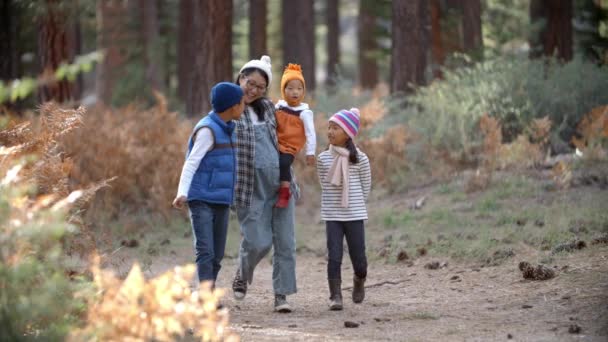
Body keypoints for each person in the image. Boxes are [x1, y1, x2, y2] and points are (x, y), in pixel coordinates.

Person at [231, 55, 298, 313]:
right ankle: (242, 270)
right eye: (251, 83)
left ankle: (281, 295)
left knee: (285, 242)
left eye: (260, 87)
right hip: (249, 187)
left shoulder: (270, 108)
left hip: (281, 183)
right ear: (241, 78)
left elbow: (289, 138)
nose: (254, 90)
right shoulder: (230, 109)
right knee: (258, 241)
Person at [172, 82, 245, 288]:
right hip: (201, 198)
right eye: (242, 103)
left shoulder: (230, 128)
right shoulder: (207, 130)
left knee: (218, 252)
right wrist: (182, 192)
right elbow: (191, 162)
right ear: (233, 106)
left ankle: (207, 290)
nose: (244, 107)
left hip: (221, 199)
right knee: (205, 250)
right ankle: (205, 296)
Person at [316, 108, 371, 311]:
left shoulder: (361, 159)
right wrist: (335, 204)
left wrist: (355, 205)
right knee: (334, 255)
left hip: (355, 215)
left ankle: (359, 279)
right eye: (329, 127)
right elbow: (324, 183)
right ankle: (335, 296)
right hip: (333, 215)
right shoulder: (323, 159)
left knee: (360, 260)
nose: (330, 131)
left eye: (335, 128)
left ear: (348, 133)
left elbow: (366, 186)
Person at [274, 63, 316, 208]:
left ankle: (285, 192)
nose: (295, 92)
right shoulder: (278, 107)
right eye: (290, 88)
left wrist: (310, 153)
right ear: (283, 90)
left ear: (303, 91)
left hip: (290, 147)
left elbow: (311, 134)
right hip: (274, 142)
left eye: (299, 88)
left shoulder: (304, 112)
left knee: (283, 163)